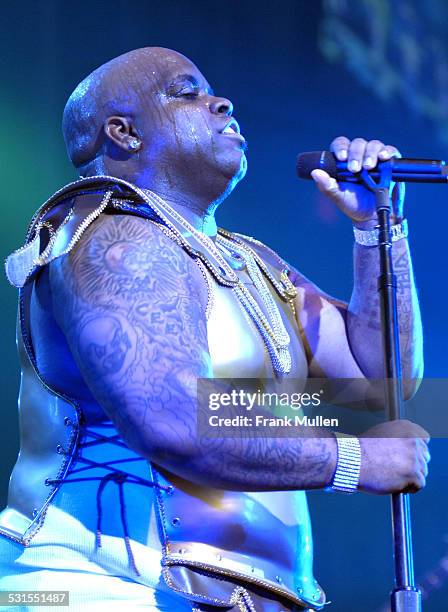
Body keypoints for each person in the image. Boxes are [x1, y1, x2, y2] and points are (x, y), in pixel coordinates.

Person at [0, 47, 430, 612]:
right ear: (123, 133)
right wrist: (355, 461)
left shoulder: (246, 261)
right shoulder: (114, 237)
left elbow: (381, 380)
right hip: (103, 587)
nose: (221, 101)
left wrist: (380, 223)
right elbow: (173, 421)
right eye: (186, 92)